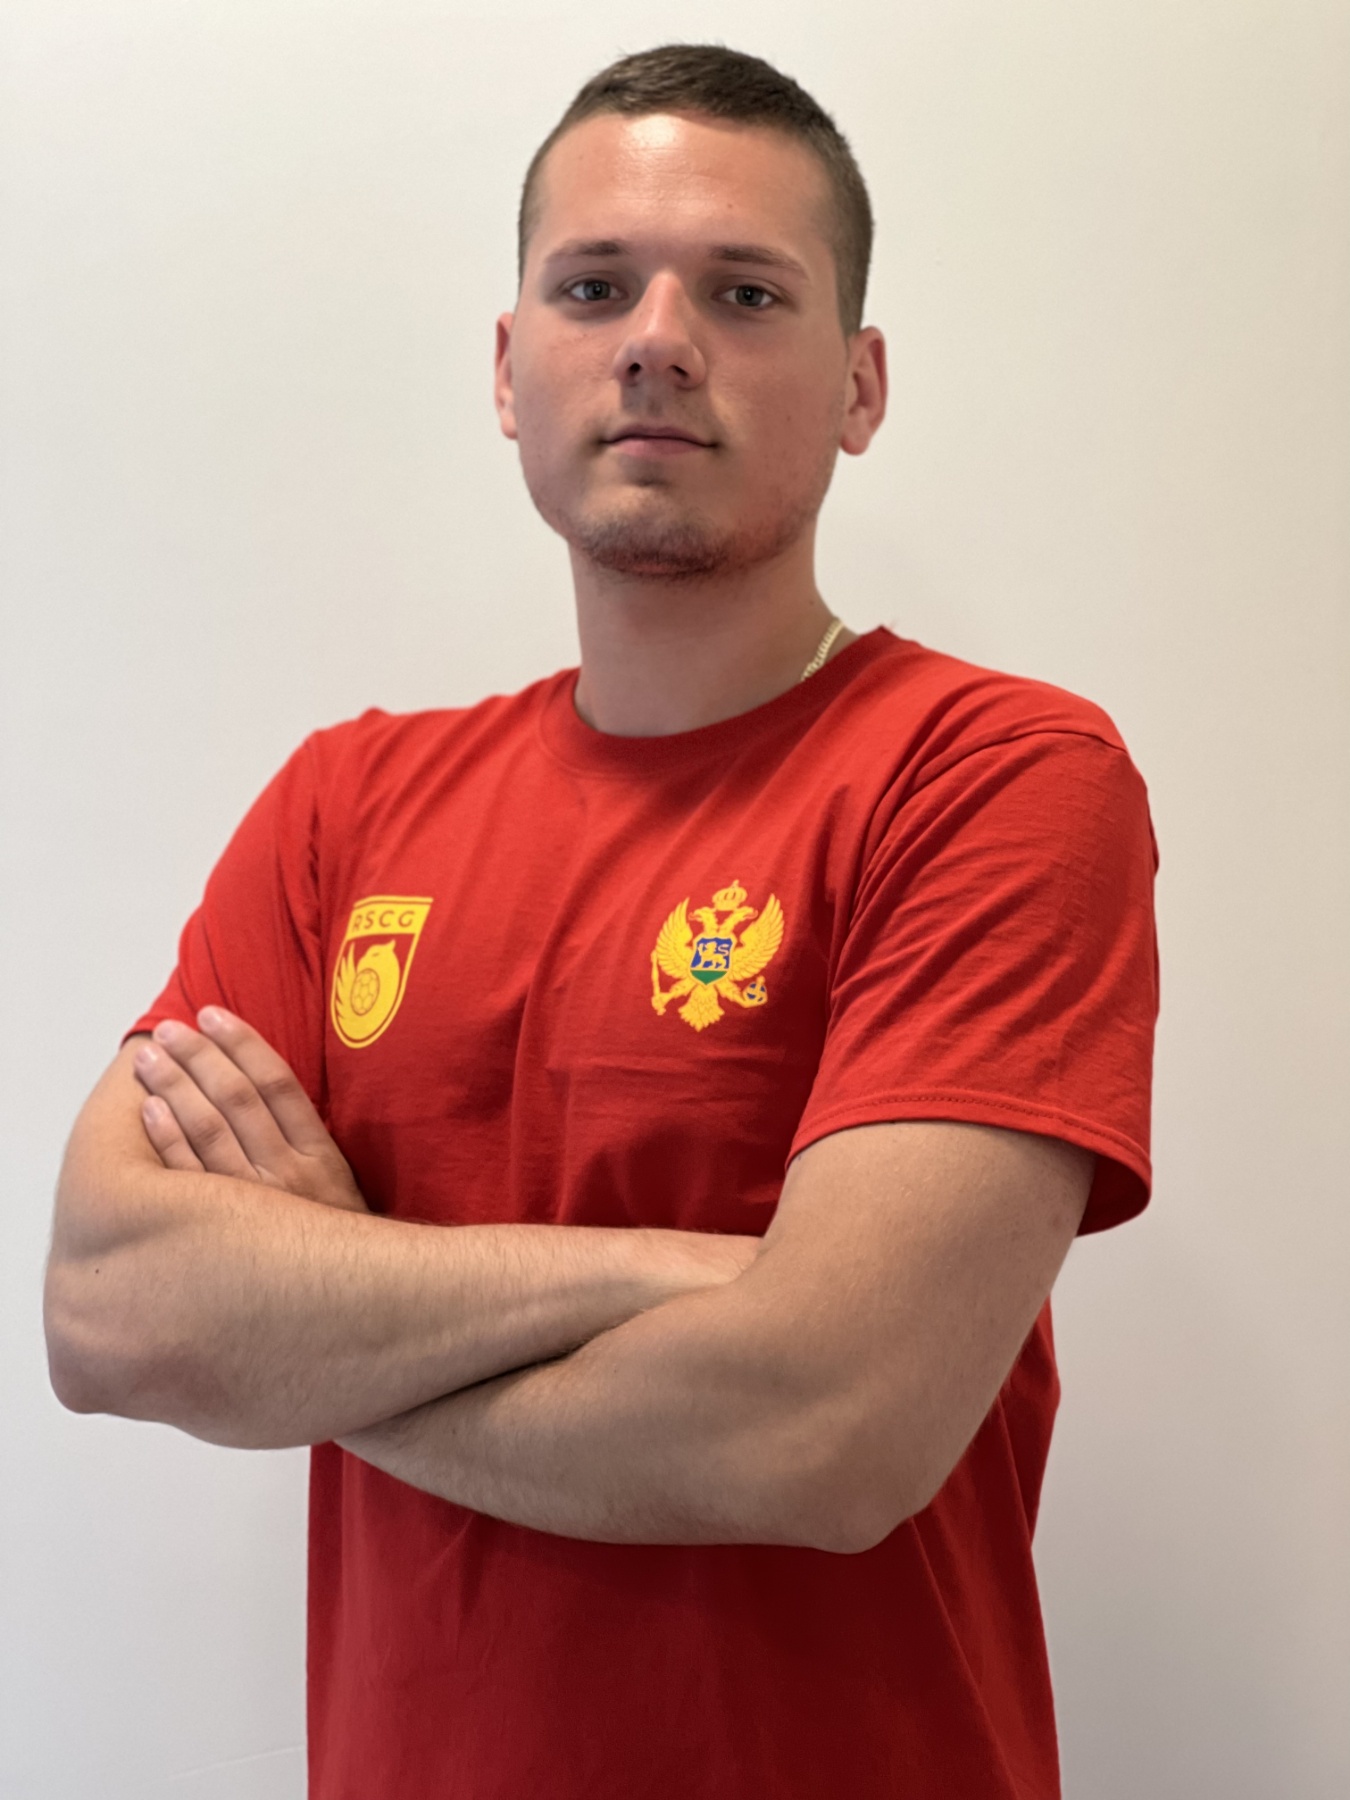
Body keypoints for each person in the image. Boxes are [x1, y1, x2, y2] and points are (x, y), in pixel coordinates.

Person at [44, 42, 1159, 1800]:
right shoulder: (344, 809)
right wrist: (677, 1275)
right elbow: (112, 1313)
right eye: (591, 286)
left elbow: (825, 1429)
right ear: (508, 371)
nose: (656, 338)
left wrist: (320, 1324)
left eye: (743, 291)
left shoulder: (991, 775)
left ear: (859, 385)